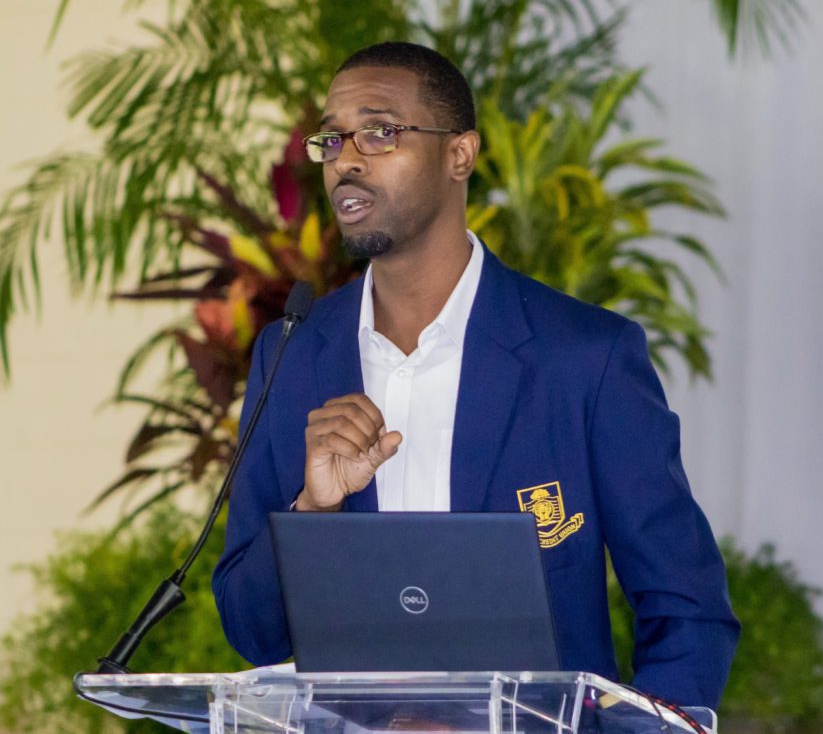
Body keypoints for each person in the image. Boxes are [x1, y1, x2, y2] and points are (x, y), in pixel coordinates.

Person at [213, 41, 739, 709]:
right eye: (333, 139)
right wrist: (313, 512)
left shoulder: (585, 358)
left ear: (460, 154)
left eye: (380, 132)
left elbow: (688, 609)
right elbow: (251, 628)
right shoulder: (292, 355)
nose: (347, 160)